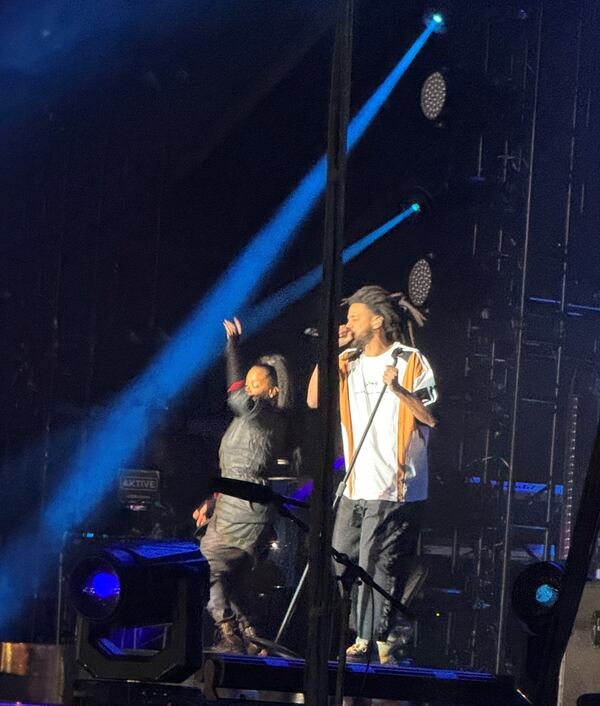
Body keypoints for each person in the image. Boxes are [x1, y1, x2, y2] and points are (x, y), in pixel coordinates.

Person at [307, 285, 437, 666]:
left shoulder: (409, 360)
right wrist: (330, 352)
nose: (348, 324)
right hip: (356, 481)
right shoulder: (346, 360)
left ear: (377, 321)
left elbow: (429, 416)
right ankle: (377, 628)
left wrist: (396, 387)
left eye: (355, 318)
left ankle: (373, 638)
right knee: (342, 556)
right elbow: (315, 399)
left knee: (374, 561)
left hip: (394, 483)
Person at [193, 317, 293, 654]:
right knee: (228, 579)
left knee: (203, 567)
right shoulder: (245, 422)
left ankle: (231, 633)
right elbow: (234, 469)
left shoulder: (263, 416)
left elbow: (235, 395)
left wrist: (232, 346)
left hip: (244, 514)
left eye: (256, 382)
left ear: (273, 390)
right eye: (247, 381)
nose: (248, 387)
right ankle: (251, 638)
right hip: (231, 507)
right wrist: (211, 501)